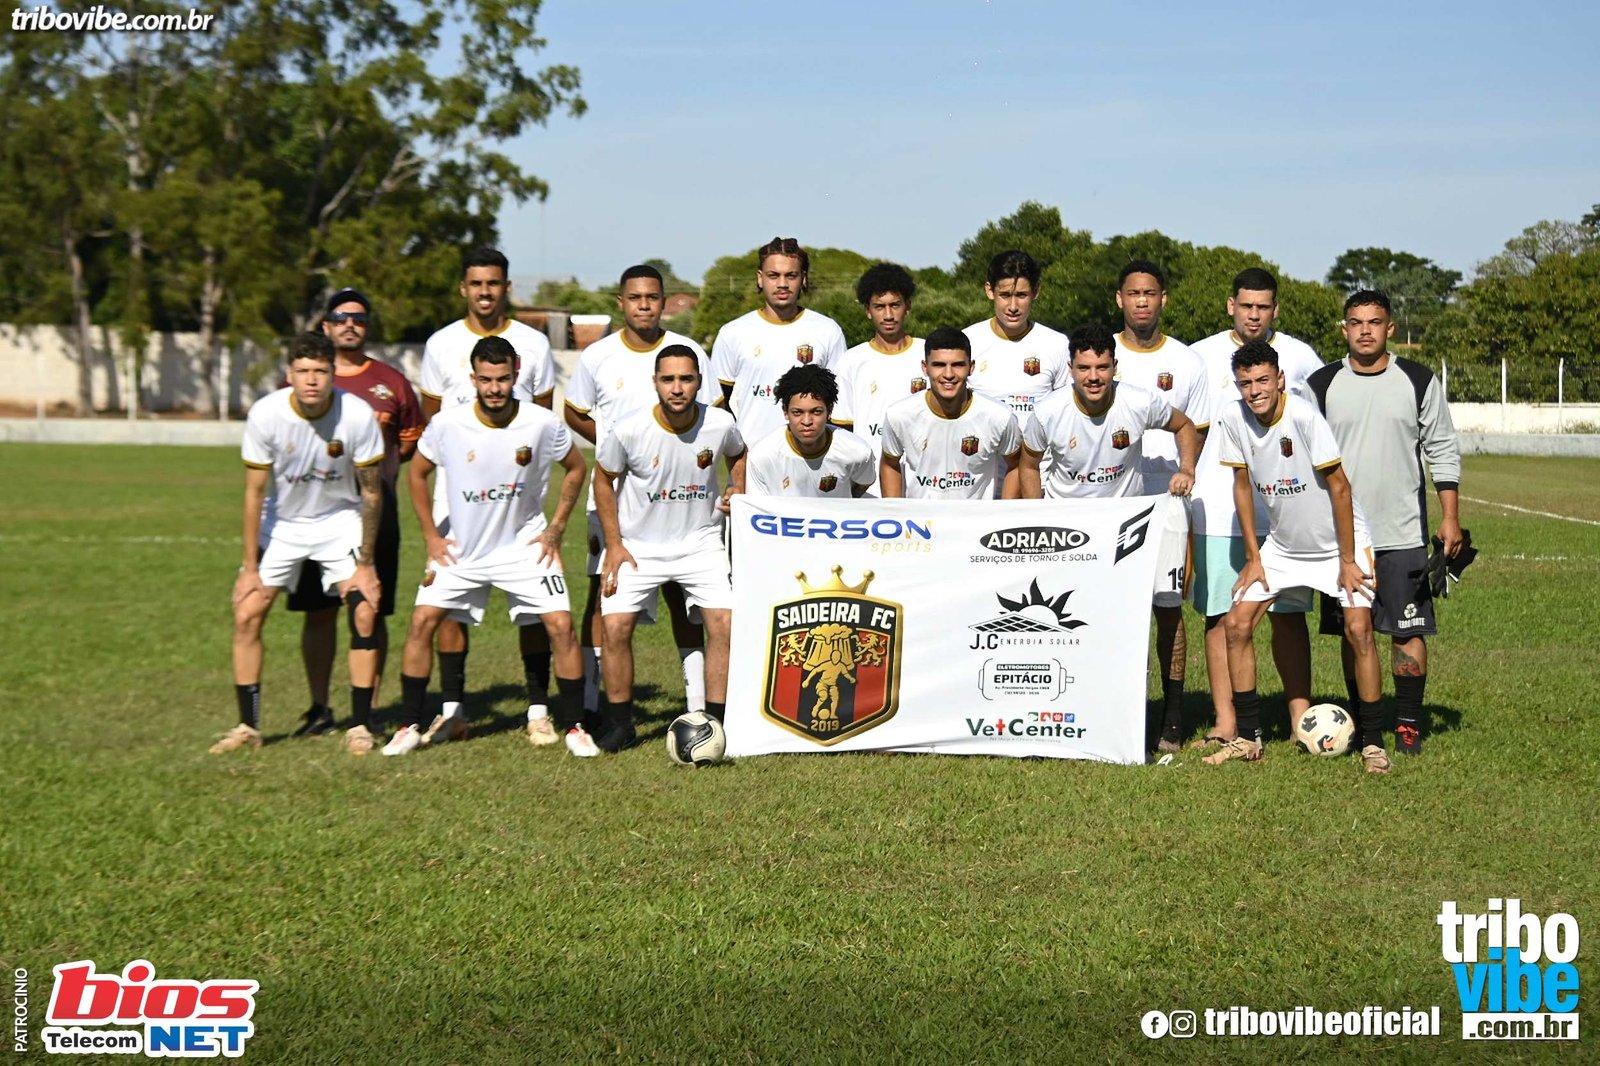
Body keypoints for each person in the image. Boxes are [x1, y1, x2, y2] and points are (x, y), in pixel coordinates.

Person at [383, 336, 589, 756]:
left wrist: (555, 529)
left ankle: (574, 728)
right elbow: (416, 474)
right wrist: (431, 536)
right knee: (422, 622)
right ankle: (408, 726)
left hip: (525, 547)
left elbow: (576, 467)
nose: (495, 388)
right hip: (462, 549)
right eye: (487, 380)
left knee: (561, 626)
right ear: (473, 378)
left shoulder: (541, 423)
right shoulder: (447, 424)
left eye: (503, 379)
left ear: (516, 374)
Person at [1208, 340, 1389, 773]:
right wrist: (1254, 557)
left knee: (1359, 630)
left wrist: (1348, 560)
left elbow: (1340, 487)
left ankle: (1373, 744)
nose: (1255, 391)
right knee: (1236, 625)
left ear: (1280, 379)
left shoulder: (1305, 417)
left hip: (1340, 544)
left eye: (1262, 380)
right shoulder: (1232, 417)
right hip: (1284, 547)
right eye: (1246, 383)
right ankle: (1248, 738)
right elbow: (1241, 487)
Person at [214, 332, 385, 756]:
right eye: (303, 371)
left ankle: (360, 726)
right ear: (289, 374)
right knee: (247, 613)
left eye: (320, 371)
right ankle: (248, 726)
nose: (311, 380)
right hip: (284, 524)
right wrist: (249, 568)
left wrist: (366, 564)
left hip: (339, 521)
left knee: (364, 611)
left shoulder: (357, 414)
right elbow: (254, 492)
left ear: (333, 373)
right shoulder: (266, 414)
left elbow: (371, 492)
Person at [1308, 289, 1463, 756]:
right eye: (1356, 323)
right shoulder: (1321, 384)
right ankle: (1361, 719)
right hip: (1344, 538)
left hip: (1402, 532)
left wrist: (1450, 517)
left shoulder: (1417, 379)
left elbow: (1442, 449)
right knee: (1353, 631)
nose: (1365, 331)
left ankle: (1409, 724)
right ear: (1345, 329)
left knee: (1407, 630)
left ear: (1390, 327)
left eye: (1374, 322)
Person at [417, 247, 558, 739]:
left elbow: (544, 423)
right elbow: (432, 424)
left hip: (520, 505)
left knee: (533, 609)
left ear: (506, 287)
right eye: (476, 283)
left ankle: (538, 712)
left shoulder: (534, 345)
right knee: (450, 607)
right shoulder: (440, 345)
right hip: (456, 502)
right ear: (464, 288)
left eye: (493, 283)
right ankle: (453, 711)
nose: (484, 292)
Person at [565, 264, 714, 721]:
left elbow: (712, 415)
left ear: (664, 302)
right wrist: (617, 449)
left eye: (652, 297)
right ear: (621, 302)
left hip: (680, 498)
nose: (644, 305)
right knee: (602, 593)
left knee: (682, 599)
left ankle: (696, 705)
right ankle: (592, 702)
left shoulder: (687, 351)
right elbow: (574, 412)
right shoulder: (598, 356)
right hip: (614, 496)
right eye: (635, 298)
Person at [1187, 268, 1325, 748]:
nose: (1253, 315)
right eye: (1246, 306)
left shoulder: (1301, 357)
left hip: (1286, 514)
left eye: (1263, 307)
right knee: (1220, 616)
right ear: (1231, 306)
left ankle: (1300, 720)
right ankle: (1226, 721)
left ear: (1275, 310)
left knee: (1288, 615)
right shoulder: (1200, 356)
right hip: (1218, 508)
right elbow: (1191, 428)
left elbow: (1318, 423)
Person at [281, 288, 422, 738]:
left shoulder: (392, 382)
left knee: (370, 609)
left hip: (374, 512)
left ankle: (369, 709)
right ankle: (320, 707)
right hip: (312, 511)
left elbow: (408, 441)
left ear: (368, 326)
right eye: (340, 317)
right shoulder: (303, 380)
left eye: (358, 318)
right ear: (326, 325)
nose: (349, 325)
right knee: (319, 611)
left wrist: (374, 479)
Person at [595, 345, 746, 752]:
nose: (677, 388)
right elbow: (603, 479)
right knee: (615, 627)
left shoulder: (720, 423)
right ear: (655, 383)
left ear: (699, 382)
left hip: (701, 544)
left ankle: (715, 723)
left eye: (686, 379)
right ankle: (621, 725)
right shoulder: (629, 429)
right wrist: (614, 544)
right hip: (637, 548)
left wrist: (738, 487)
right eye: (668, 379)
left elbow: (739, 453)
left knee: (725, 623)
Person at [1111, 259, 1213, 750]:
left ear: (1163, 299)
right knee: (1112, 607)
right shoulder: (1100, 355)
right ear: (1120, 299)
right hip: (1112, 501)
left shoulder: (1188, 361)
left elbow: (1198, 430)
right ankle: (1117, 711)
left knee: (1167, 607)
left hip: (1169, 501)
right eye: (1133, 294)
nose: (1142, 302)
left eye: (1150, 294)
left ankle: (1172, 717)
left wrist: (1186, 471)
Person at [711, 236, 848, 444]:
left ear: (803, 279)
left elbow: (839, 403)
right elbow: (719, 406)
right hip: (752, 455)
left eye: (791, 275)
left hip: (812, 458)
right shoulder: (733, 333)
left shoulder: (828, 331)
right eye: (773, 275)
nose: (782, 284)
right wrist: (736, 451)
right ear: (760, 278)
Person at [879, 327, 1021, 500]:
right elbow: (889, 465)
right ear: (925, 368)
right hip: (921, 517)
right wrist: (894, 511)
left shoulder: (999, 416)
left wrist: (1004, 511)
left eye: (958, 365)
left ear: (971, 367)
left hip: (977, 517)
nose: (948, 374)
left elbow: (1017, 465)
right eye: (939, 365)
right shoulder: (899, 415)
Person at [832, 263, 926, 491]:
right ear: (868, 310)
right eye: (879, 307)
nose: (888, 315)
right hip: (869, 488)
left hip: (921, 483)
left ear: (908, 307)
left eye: (895, 305)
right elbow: (843, 432)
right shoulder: (851, 361)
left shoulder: (928, 354)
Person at [962, 250, 1072, 426]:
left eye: (1021, 295)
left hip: (1039, 445)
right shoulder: (967, 341)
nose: (1013, 307)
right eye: (1005, 295)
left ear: (1036, 291)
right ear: (989, 291)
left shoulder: (1057, 344)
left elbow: (1066, 410)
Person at [746, 365, 876, 497]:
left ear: (829, 411)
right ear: (785, 411)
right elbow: (756, 507)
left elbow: (861, 487)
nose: (807, 421)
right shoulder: (761, 456)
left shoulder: (858, 452)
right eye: (797, 412)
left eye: (816, 412)